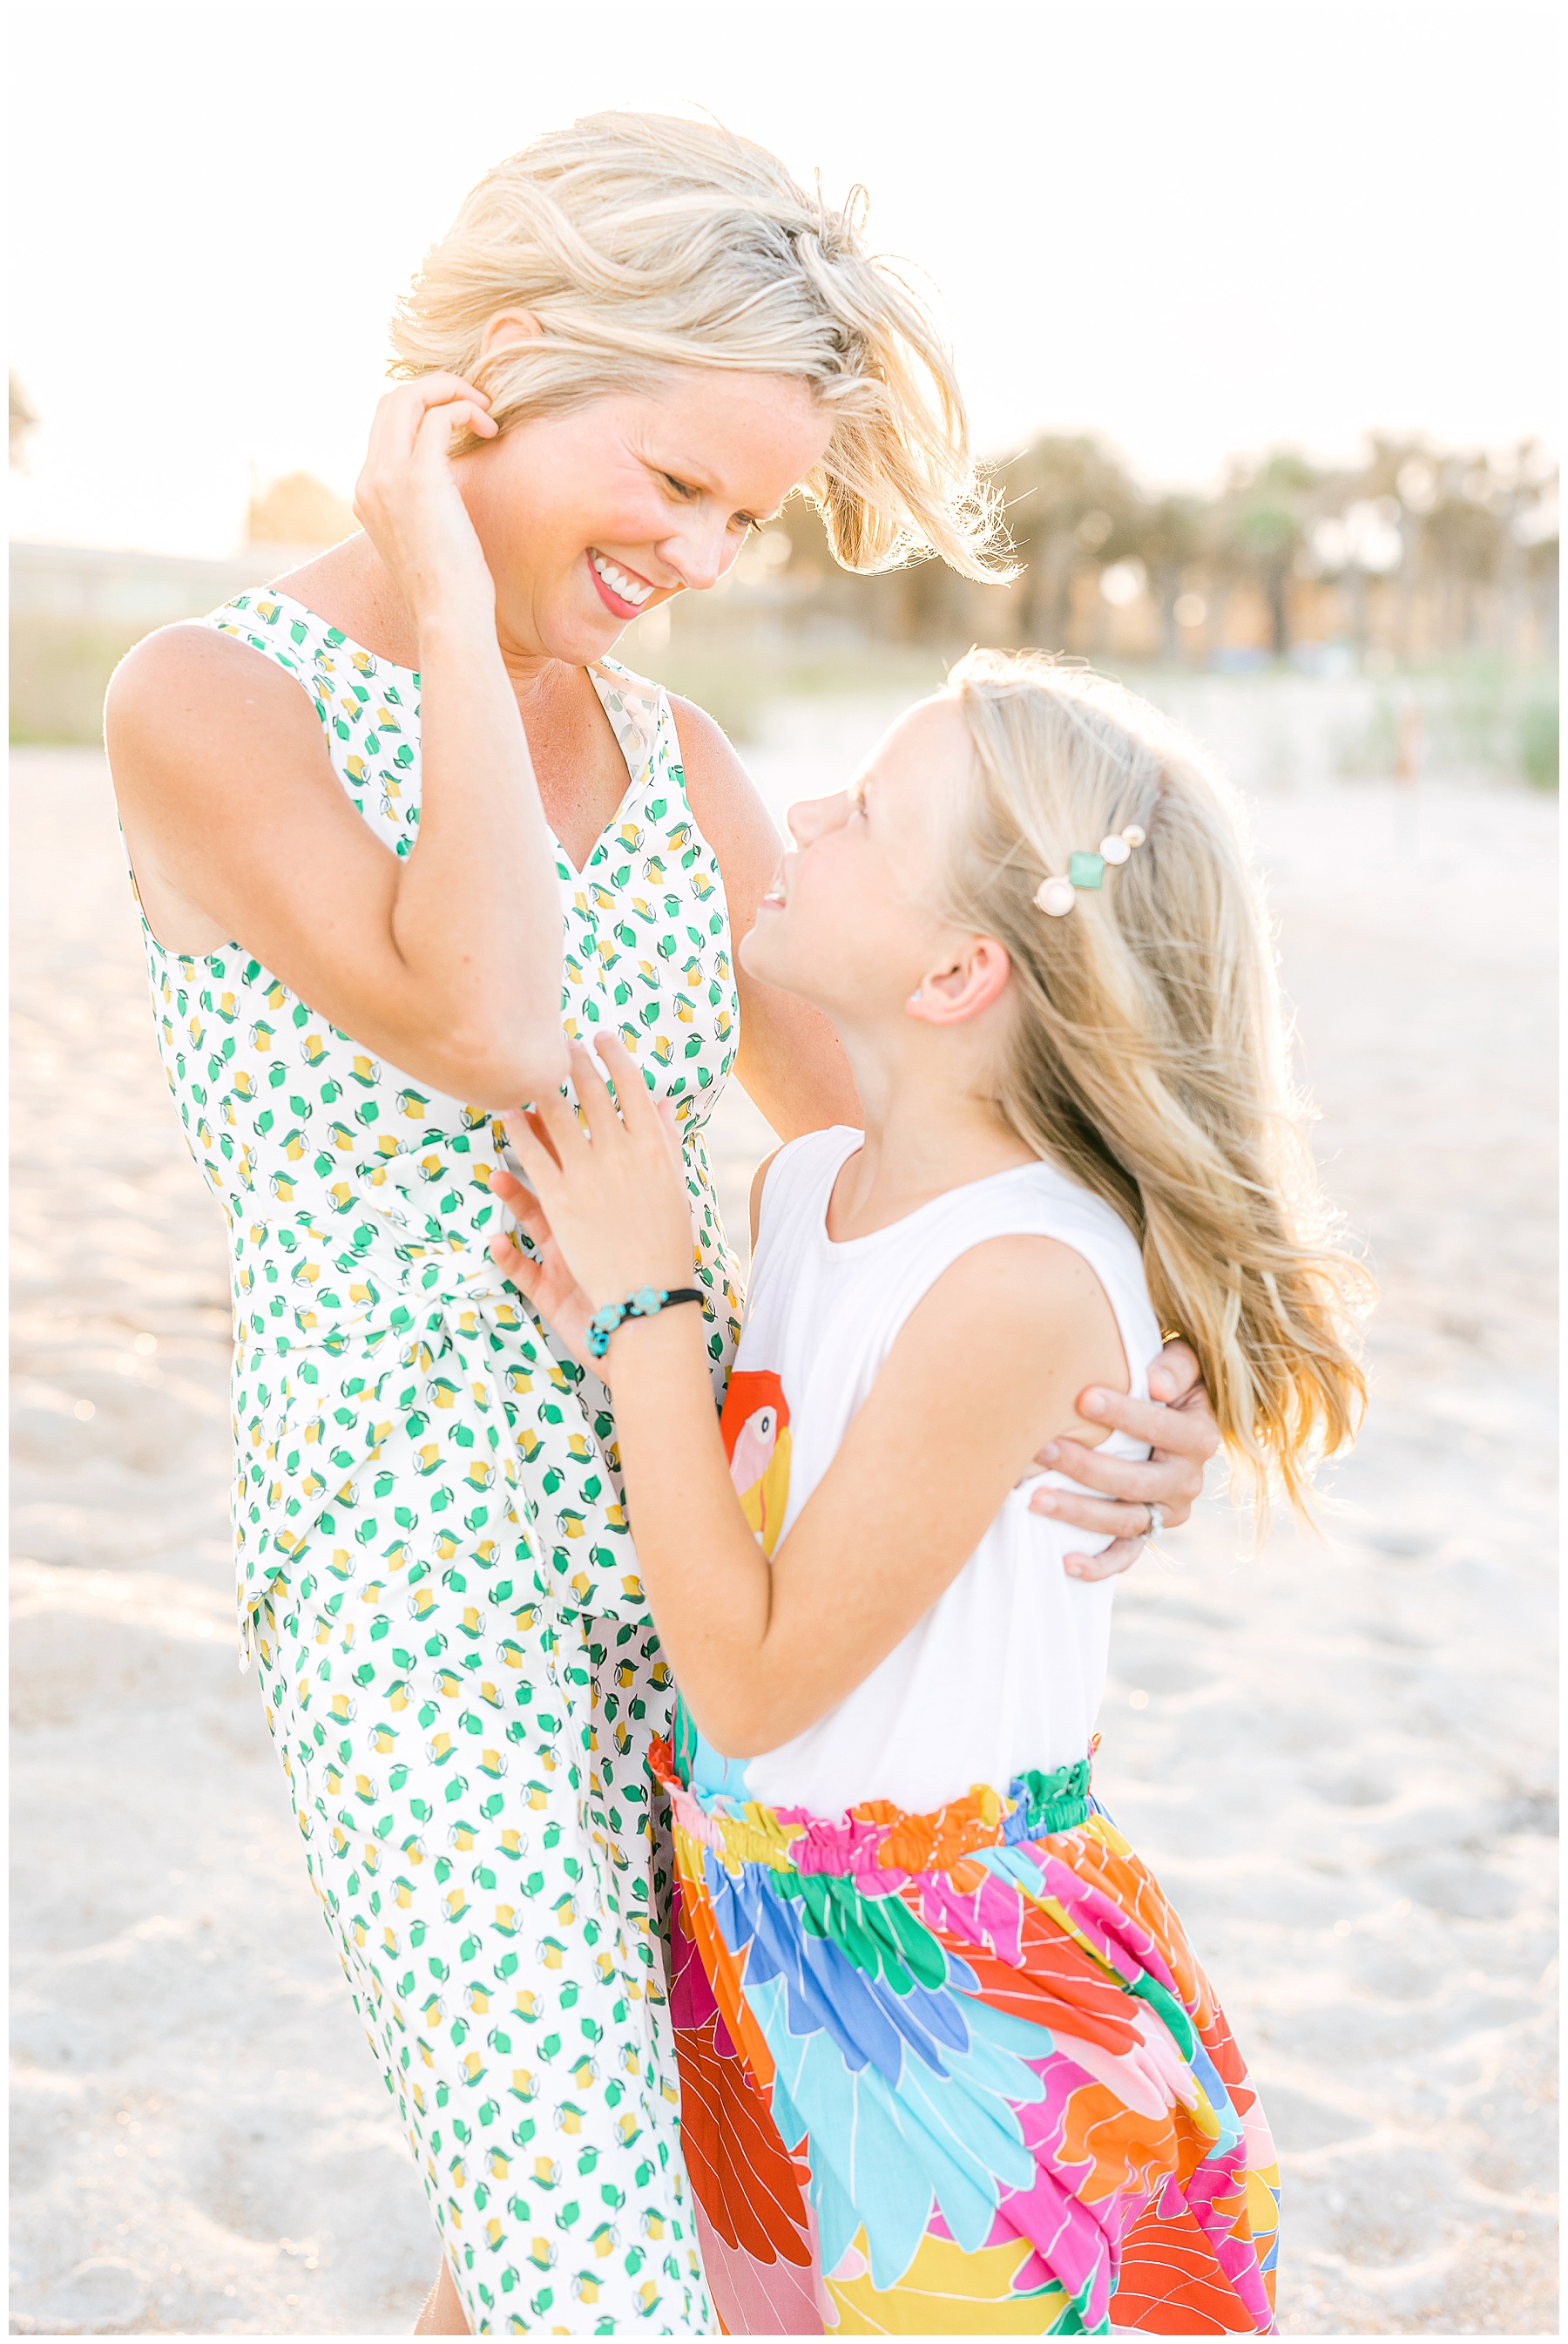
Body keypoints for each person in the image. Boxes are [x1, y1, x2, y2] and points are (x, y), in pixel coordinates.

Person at [104, 116, 1218, 2336]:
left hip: (724, 1588)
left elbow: (903, 1170)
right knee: (588, 2267)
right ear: (498, 376)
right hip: (425, 1608)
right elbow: (490, 1015)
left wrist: (1133, 1382)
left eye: (746, 515)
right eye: (679, 483)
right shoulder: (209, 705)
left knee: (687, 2245)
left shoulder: (685, 764)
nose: (701, 555)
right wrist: (435, 592)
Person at [491, 651, 1369, 2336]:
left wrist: (644, 1314)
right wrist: (638, 1328)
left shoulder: (1024, 1281)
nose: (806, 813)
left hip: (958, 2003)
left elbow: (752, 1672)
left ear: (963, 968)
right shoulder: (813, 1183)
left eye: (868, 815)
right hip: (754, 1938)